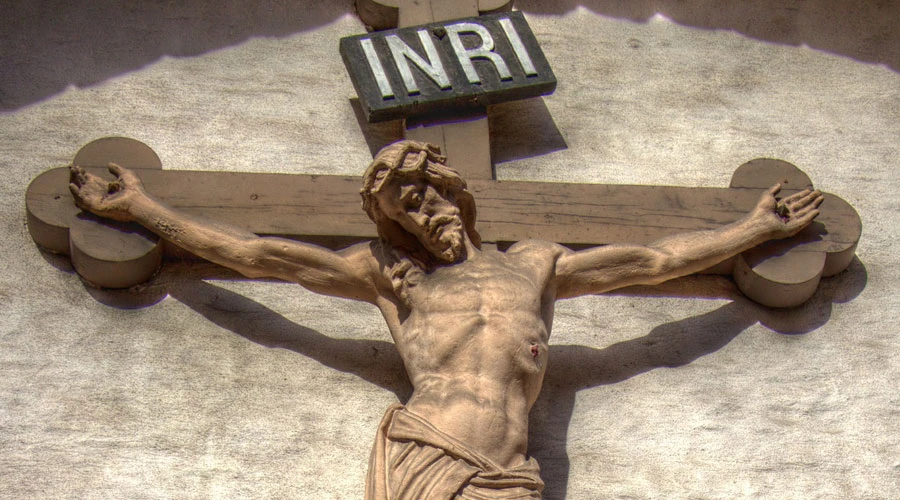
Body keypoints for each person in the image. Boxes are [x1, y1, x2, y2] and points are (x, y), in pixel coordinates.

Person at [69, 140, 823, 499]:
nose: (422, 215)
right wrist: (143, 209)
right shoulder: (393, 279)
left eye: (425, 196)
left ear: (453, 191)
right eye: (404, 211)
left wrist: (754, 228)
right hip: (430, 452)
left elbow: (655, 261)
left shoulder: (536, 264)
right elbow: (261, 255)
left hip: (509, 472)